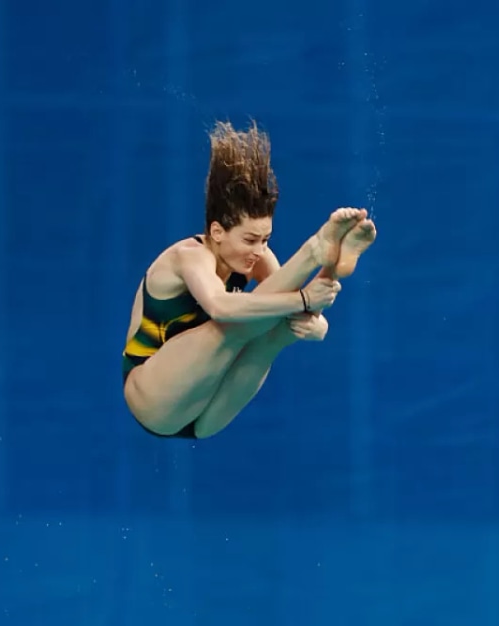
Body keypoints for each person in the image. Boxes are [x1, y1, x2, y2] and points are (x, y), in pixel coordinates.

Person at [121, 120, 377, 440]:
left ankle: (331, 265)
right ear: (217, 231)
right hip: (153, 398)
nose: (259, 251)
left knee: (276, 330)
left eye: (266, 240)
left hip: (205, 417)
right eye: (250, 240)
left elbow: (299, 312)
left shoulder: (256, 258)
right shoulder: (188, 256)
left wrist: (316, 325)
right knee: (234, 322)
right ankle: (314, 251)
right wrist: (304, 300)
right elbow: (220, 307)